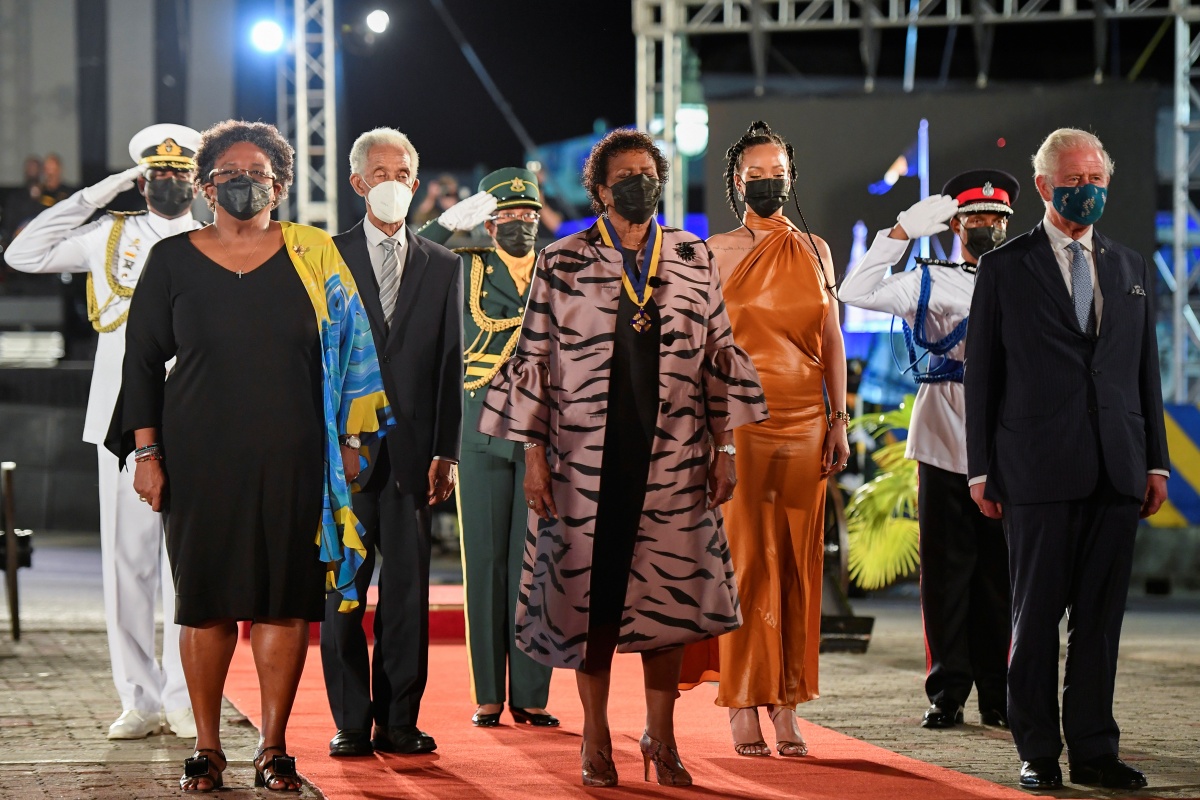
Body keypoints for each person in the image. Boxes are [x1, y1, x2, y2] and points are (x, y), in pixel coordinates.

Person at [477, 128, 768, 788]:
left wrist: (724, 447)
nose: (640, 184)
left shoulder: (692, 255)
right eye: (625, 177)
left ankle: (660, 738)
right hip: (584, 464)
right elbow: (535, 362)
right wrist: (534, 456)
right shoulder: (563, 260)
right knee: (593, 604)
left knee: (667, 605)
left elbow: (720, 356)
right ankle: (597, 735)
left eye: (649, 174)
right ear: (600, 191)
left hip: (674, 456)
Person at [109, 119, 391, 792]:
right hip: (198, 454)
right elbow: (142, 363)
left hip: (294, 455)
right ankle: (206, 746)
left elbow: (356, 347)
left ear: (280, 185)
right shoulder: (172, 260)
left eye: (257, 174)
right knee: (203, 603)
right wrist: (145, 452)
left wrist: (355, 440)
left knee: (282, 602)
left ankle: (272, 746)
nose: (243, 183)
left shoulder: (313, 251)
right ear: (207, 187)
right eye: (229, 174)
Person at [965, 128, 1169, 791]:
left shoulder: (1131, 267)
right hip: (1034, 470)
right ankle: (1038, 751)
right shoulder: (1004, 267)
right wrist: (980, 468)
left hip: (1117, 467)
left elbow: (1145, 372)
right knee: (1035, 619)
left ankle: (1094, 749)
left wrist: (1157, 463)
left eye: (1098, 179)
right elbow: (983, 378)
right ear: (1047, 185)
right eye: (1076, 181)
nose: (1091, 191)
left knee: (1100, 624)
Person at [4, 124, 204, 742]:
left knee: (189, 567)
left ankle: (183, 696)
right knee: (127, 562)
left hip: (199, 414)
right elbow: (23, 253)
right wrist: (97, 193)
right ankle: (139, 697)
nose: (169, 182)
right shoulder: (110, 234)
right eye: (157, 173)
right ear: (141, 179)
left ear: (196, 181)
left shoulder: (213, 238)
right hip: (120, 418)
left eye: (180, 173)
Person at [690, 120, 848, 759]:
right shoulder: (714, 251)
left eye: (776, 171)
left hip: (808, 421)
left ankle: (787, 703)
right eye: (755, 174)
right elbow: (702, 348)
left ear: (791, 176)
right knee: (747, 562)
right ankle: (743, 703)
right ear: (736, 182)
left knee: (799, 563)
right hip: (741, 423)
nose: (767, 182)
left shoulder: (817, 249)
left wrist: (838, 419)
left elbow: (832, 337)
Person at [839, 170, 1018, 731]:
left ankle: (998, 695)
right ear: (956, 225)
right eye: (975, 218)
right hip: (944, 438)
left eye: (996, 219)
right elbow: (854, 292)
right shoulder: (930, 280)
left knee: (1001, 577)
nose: (985, 226)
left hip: (1007, 443)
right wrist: (898, 234)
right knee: (944, 575)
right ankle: (947, 693)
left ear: (1008, 224)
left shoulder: (1024, 280)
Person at [319, 127, 463, 759]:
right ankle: (352, 719)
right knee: (344, 594)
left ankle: (399, 720)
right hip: (345, 460)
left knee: (407, 596)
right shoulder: (324, 257)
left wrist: (447, 451)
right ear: (358, 184)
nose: (395, 184)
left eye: (404, 173)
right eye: (381, 173)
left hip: (413, 462)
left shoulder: (444, 266)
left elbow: (449, 369)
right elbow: (314, 362)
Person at [418, 168, 558, 729]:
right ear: (490, 220)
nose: (521, 225)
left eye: (529, 216)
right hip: (477, 428)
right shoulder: (467, 264)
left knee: (534, 564)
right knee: (484, 561)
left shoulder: (556, 267)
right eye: (509, 217)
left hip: (540, 433)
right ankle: (488, 694)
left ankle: (530, 694)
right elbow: (411, 253)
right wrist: (451, 221)